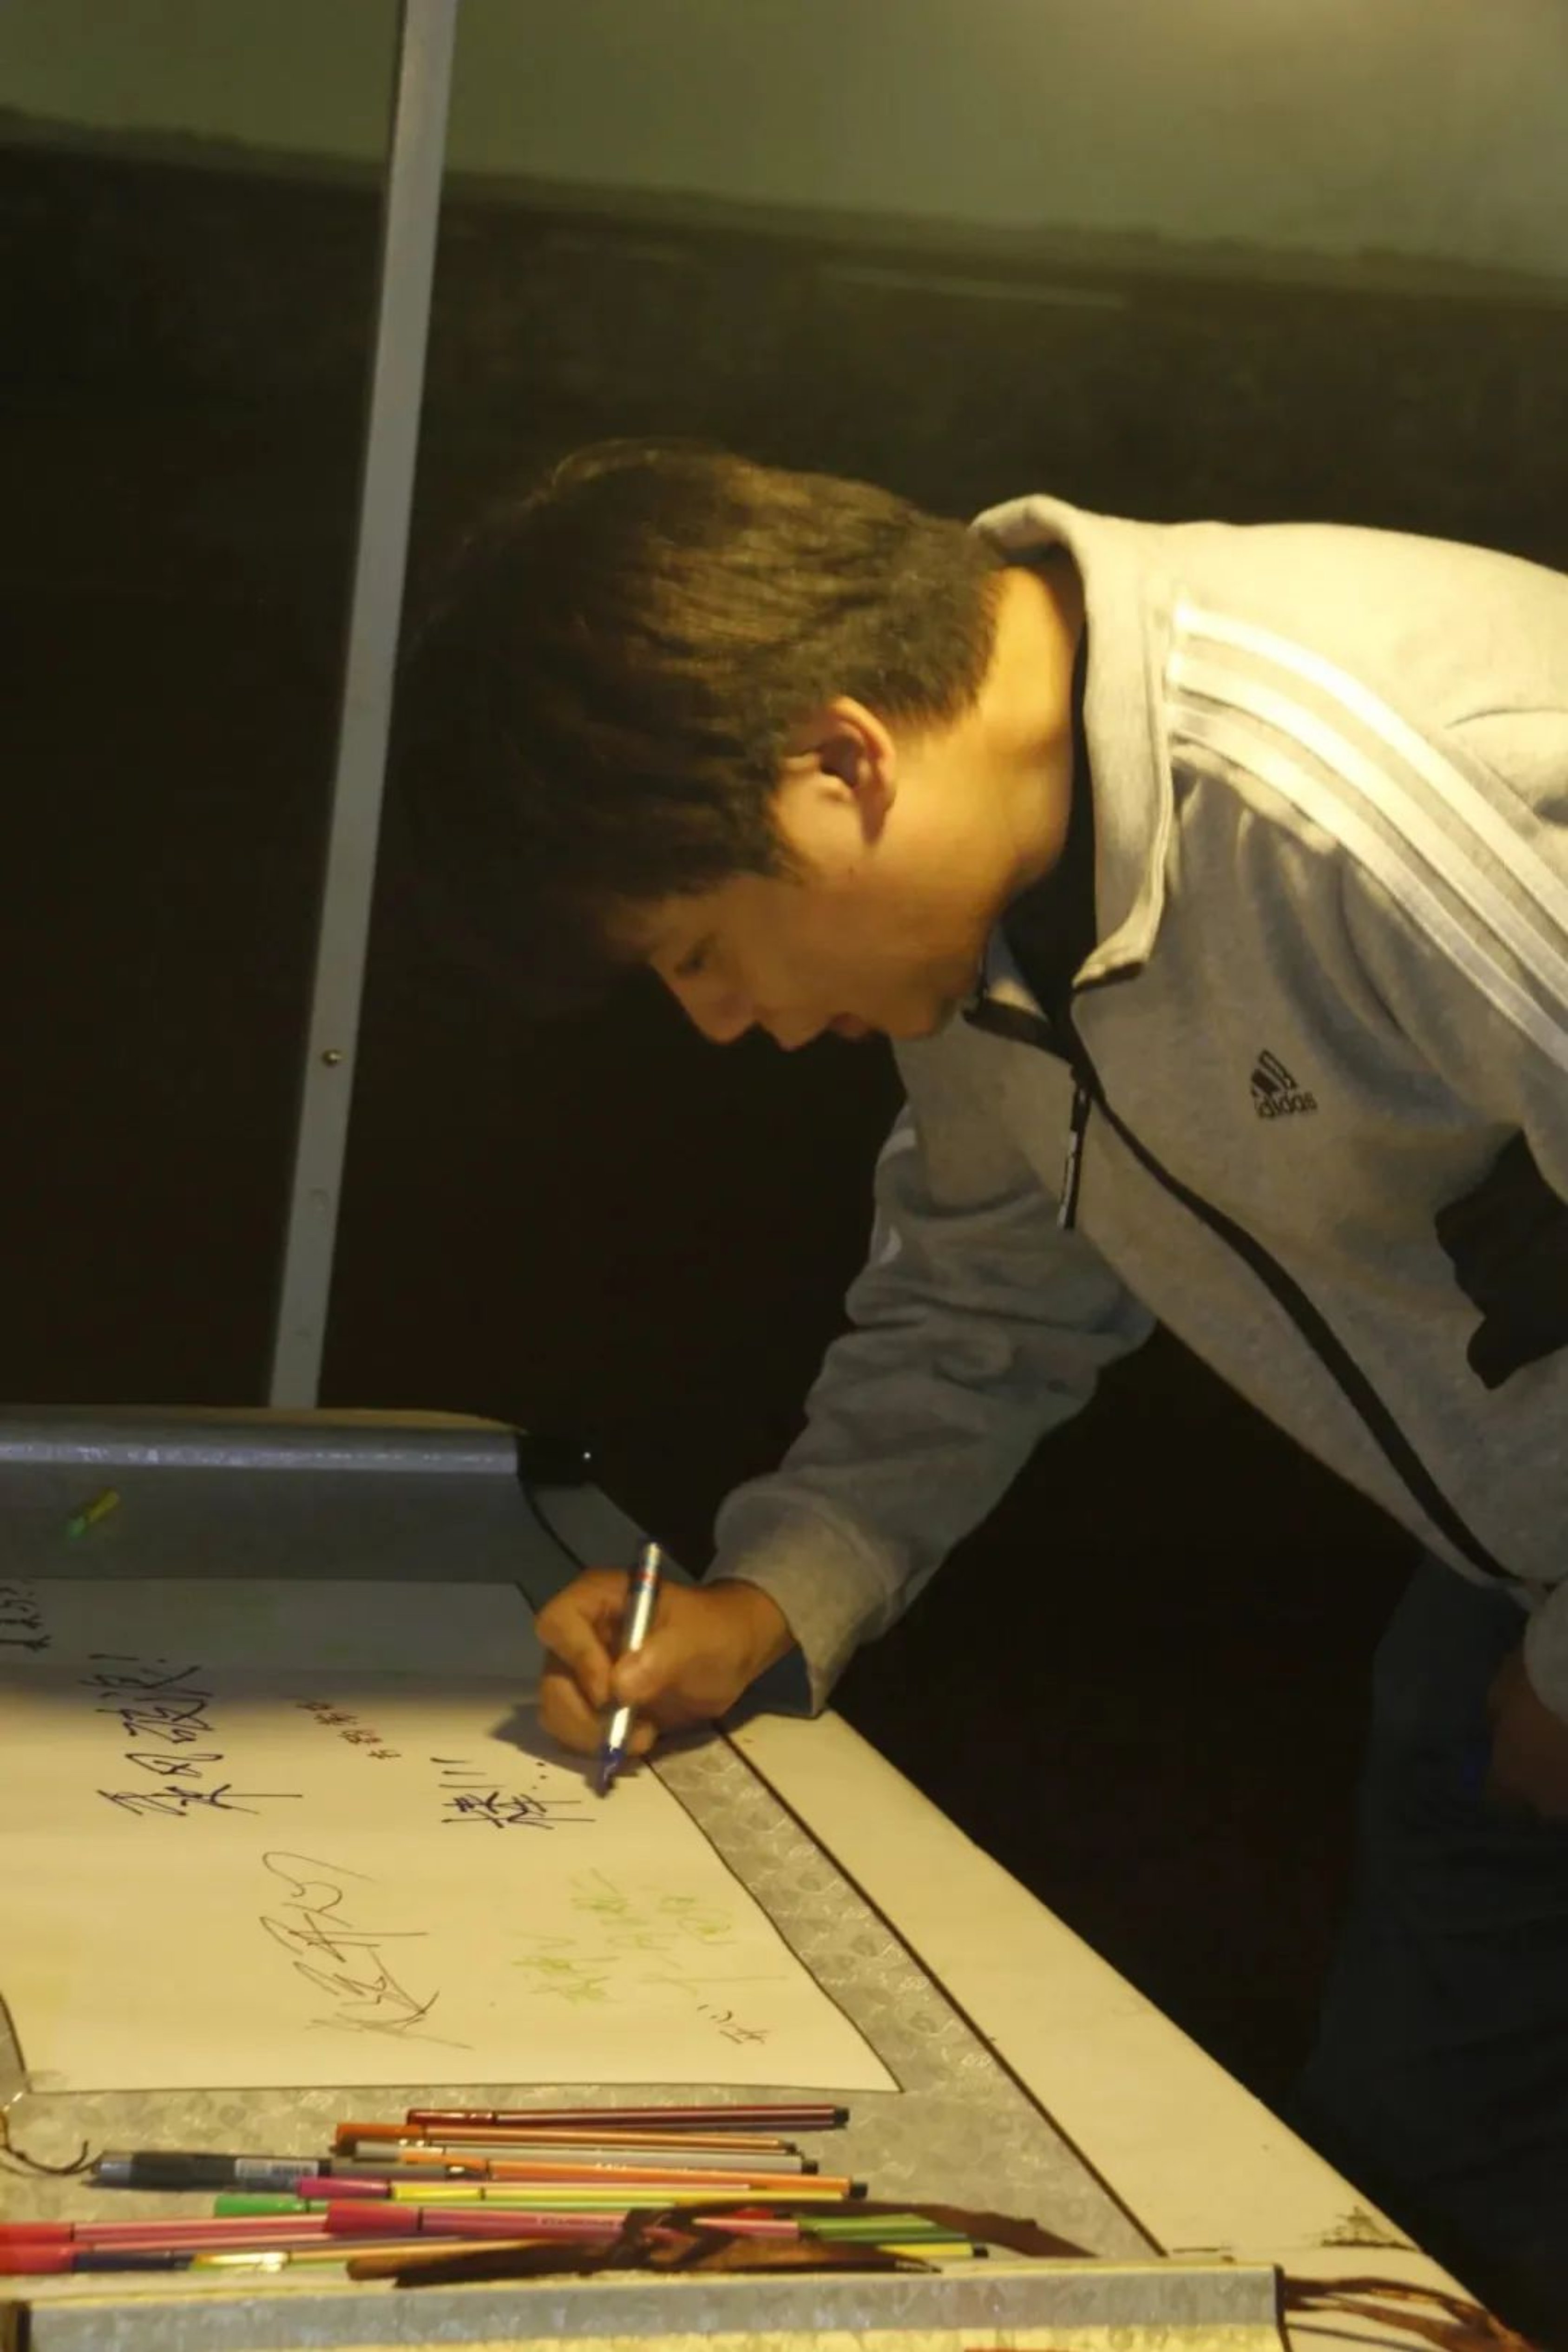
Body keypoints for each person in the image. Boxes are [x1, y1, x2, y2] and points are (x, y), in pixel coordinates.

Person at [400, 440, 1568, 2338]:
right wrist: (772, 1598)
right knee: (1405, 2259)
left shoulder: (1373, 794)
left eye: (700, 950)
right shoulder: (986, 908)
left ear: (842, 764)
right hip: (1503, 1587)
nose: (725, 1022)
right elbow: (984, 1292)